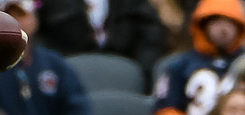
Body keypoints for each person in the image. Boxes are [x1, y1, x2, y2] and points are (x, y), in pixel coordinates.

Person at [0, 1, 95, 115]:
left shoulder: (55, 64)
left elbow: (77, 109)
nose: (15, 22)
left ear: (35, 20)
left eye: (21, 15)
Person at [153, 0, 245, 115]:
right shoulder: (181, 65)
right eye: (217, 21)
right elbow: (165, 113)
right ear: (204, 25)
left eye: (229, 22)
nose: (223, 28)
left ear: (239, 27)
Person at [34, 0, 166, 79]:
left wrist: (140, 73)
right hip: (67, 72)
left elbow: (150, 36)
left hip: (122, 74)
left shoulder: (132, 3)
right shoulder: (53, 4)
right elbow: (40, 37)